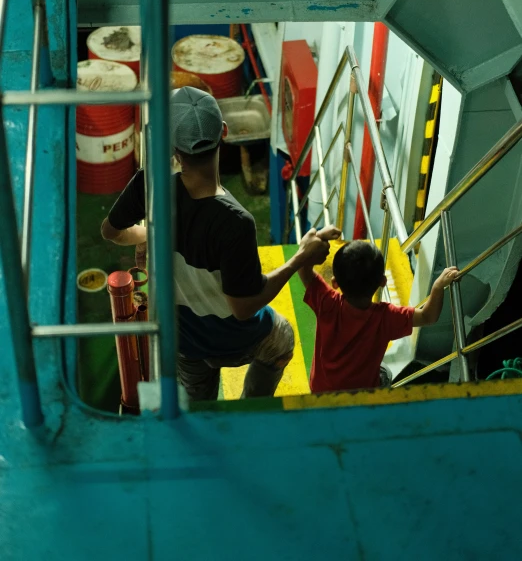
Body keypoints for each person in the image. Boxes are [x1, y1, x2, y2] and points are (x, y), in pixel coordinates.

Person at [101, 86, 330, 401]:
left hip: (183, 341)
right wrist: (300, 258)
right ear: (225, 132)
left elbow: (110, 232)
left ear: (172, 146)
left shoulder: (148, 184)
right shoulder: (235, 222)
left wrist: (148, 233)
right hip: (232, 339)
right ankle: (251, 408)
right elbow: (244, 307)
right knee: (284, 340)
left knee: (197, 399)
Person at [297, 227, 460, 393]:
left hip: (321, 391)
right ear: (383, 281)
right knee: (385, 374)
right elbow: (428, 316)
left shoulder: (326, 303)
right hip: (361, 396)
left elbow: (302, 266)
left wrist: (320, 236)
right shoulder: (386, 317)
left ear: (335, 282)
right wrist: (438, 286)